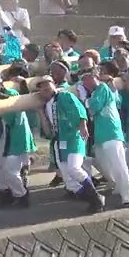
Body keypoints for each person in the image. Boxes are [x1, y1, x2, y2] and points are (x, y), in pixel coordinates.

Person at [38, 78, 105, 213]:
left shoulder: (64, 95)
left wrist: (83, 125)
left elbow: (78, 109)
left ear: (54, 84)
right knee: (68, 180)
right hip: (59, 142)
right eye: (41, 86)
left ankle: (96, 198)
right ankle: (93, 200)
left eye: (47, 84)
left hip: (74, 137)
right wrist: (40, 113)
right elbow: (48, 131)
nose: (45, 87)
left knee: (74, 168)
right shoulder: (46, 106)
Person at [85, 64, 129, 206]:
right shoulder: (99, 91)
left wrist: (86, 101)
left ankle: (128, 197)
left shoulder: (102, 88)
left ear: (96, 77)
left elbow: (94, 107)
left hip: (112, 133)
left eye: (88, 78)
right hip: (101, 136)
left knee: (119, 166)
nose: (86, 82)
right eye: (84, 80)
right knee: (107, 169)